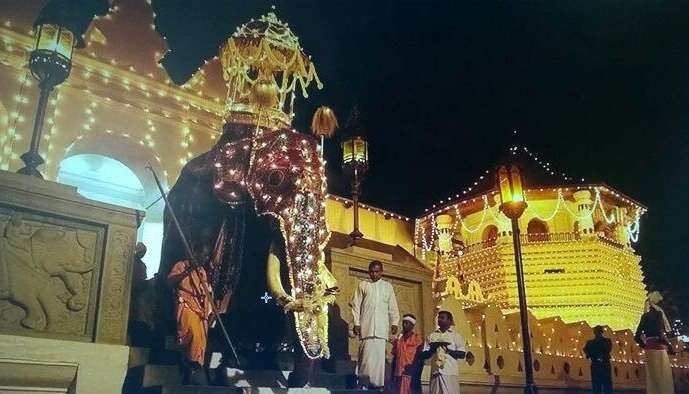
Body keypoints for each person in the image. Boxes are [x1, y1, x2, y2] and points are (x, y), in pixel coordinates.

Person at [167, 245, 214, 385]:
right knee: (191, 333)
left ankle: (195, 366)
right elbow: (171, 280)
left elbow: (205, 289)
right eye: (203, 255)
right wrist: (188, 270)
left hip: (200, 308)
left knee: (201, 338)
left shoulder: (202, 271)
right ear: (195, 253)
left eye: (207, 256)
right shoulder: (182, 265)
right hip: (187, 303)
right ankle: (189, 363)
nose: (205, 259)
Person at [351, 260, 400, 390]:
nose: (374, 274)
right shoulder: (363, 285)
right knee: (366, 359)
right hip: (366, 328)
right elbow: (356, 305)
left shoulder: (387, 287)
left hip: (381, 329)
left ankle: (378, 386)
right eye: (371, 271)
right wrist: (356, 323)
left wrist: (394, 322)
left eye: (376, 271)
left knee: (379, 361)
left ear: (381, 272)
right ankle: (363, 384)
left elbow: (393, 307)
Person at [635, 291, 675, 394]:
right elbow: (660, 333)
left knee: (652, 375)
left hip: (649, 348)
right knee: (663, 375)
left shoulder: (644, 316)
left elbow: (637, 336)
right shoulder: (659, 314)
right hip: (659, 347)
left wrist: (645, 345)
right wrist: (669, 346)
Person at [422, 311, 469, 394]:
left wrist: (448, 350)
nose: (439, 320)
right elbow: (425, 355)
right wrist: (434, 348)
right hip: (436, 372)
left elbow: (462, 354)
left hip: (450, 372)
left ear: (449, 320)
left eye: (442, 318)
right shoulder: (432, 336)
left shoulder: (456, 336)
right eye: (439, 318)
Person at [390, 313, 424, 394]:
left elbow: (420, 357)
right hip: (398, 373)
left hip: (410, 373)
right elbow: (395, 356)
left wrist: (416, 372)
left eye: (407, 323)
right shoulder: (398, 339)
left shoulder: (417, 338)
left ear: (412, 325)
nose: (404, 325)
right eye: (403, 323)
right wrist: (392, 373)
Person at [583, 325, 613, 394]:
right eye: (597, 332)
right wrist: (595, 355)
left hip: (603, 364)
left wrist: (593, 353)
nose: (598, 333)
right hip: (597, 364)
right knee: (598, 385)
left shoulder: (606, 341)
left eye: (598, 332)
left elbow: (607, 349)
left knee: (606, 384)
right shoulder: (590, 342)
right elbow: (586, 350)